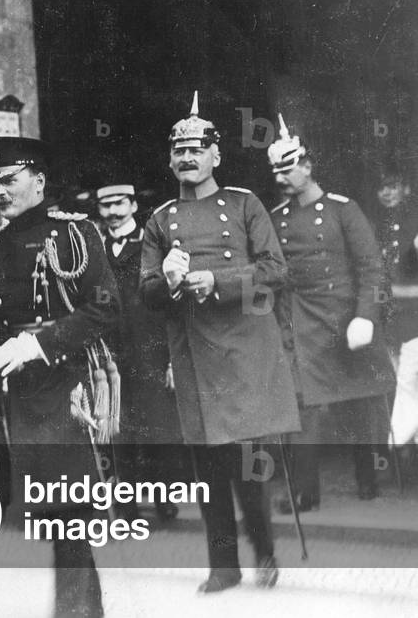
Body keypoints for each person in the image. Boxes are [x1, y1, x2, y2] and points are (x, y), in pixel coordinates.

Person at [140, 92, 300, 593]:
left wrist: (217, 281)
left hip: (246, 348)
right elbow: (145, 292)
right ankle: (223, 566)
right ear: (170, 159)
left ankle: (266, 552)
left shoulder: (246, 204)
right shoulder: (160, 220)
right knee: (208, 465)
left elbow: (276, 270)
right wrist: (166, 278)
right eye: (179, 150)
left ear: (216, 155)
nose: (187, 158)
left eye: (197, 149)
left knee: (249, 460)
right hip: (194, 351)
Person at [0, 136, 120, 618]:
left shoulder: (75, 233)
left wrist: (37, 345)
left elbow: (104, 310)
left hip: (67, 383)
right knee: (51, 512)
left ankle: (78, 612)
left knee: (70, 510)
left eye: (8, 180)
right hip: (18, 392)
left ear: (38, 181)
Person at [267, 117, 395, 508]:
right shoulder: (278, 218)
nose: (281, 178)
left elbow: (372, 269)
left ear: (307, 166)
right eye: (276, 171)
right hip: (301, 323)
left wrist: (366, 316)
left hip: (347, 319)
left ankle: (368, 480)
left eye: (288, 169)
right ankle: (305, 493)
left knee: (360, 402)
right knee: (303, 405)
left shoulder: (343, 210)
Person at [95, 182, 184, 522]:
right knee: (117, 431)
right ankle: (127, 508)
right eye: (106, 206)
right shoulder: (96, 247)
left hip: (151, 349)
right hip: (111, 353)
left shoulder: (151, 244)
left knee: (158, 428)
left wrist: (173, 358)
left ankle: (164, 499)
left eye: (120, 204)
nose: (113, 212)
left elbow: (170, 303)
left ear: (133, 205)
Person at [373, 167, 418, 446]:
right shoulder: (379, 225)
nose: (387, 192)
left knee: (409, 384)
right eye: (382, 188)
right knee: (397, 382)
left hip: (415, 318)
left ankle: (400, 446)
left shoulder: (414, 223)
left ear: (407, 189)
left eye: (393, 185)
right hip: (391, 319)